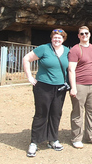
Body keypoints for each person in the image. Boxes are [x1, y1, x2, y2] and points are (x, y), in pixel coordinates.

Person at [22, 29, 69, 157]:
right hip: (43, 86)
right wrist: (30, 77)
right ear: (51, 38)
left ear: (63, 39)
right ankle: (35, 142)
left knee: (56, 113)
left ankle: (53, 139)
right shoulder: (44, 48)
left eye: (59, 38)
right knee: (41, 113)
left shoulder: (67, 51)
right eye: (55, 37)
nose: (57, 40)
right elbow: (26, 59)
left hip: (60, 88)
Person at [68, 26, 92, 148]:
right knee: (78, 112)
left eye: (86, 33)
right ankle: (76, 138)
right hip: (79, 85)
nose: (84, 35)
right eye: (81, 34)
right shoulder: (75, 50)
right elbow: (71, 69)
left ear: (90, 34)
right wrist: (73, 87)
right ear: (78, 36)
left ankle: (91, 136)